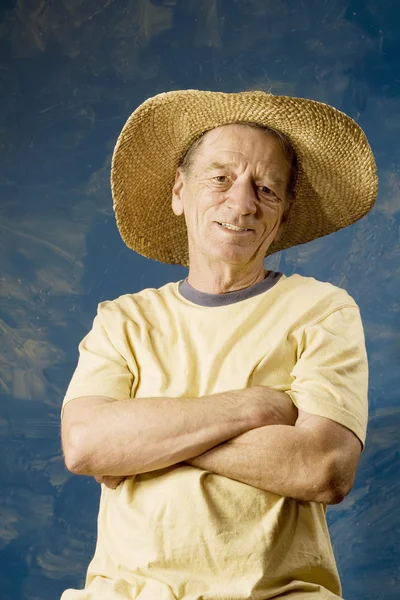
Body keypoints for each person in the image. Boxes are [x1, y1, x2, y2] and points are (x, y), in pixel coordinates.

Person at [60, 89, 378, 599]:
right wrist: (255, 407)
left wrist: (145, 442)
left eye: (267, 189)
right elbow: (84, 445)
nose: (243, 203)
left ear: (285, 213)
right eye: (221, 179)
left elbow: (324, 467)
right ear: (179, 192)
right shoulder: (122, 320)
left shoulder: (324, 310)